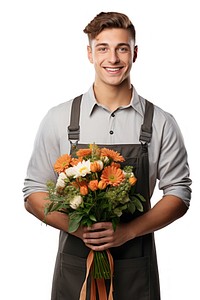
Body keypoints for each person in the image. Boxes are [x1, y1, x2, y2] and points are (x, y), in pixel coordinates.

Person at [23, 11, 192, 300]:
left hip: (135, 267)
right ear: (90, 54)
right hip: (76, 267)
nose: (112, 58)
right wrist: (78, 230)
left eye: (121, 48)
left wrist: (127, 232)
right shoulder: (58, 119)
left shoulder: (162, 122)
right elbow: (33, 192)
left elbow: (179, 193)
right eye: (103, 48)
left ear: (135, 53)